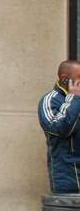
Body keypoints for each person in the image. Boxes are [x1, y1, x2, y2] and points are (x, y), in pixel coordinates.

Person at [38, 60, 80, 194]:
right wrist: (73, 98)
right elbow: (60, 128)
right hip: (68, 176)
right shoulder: (50, 100)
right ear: (64, 79)